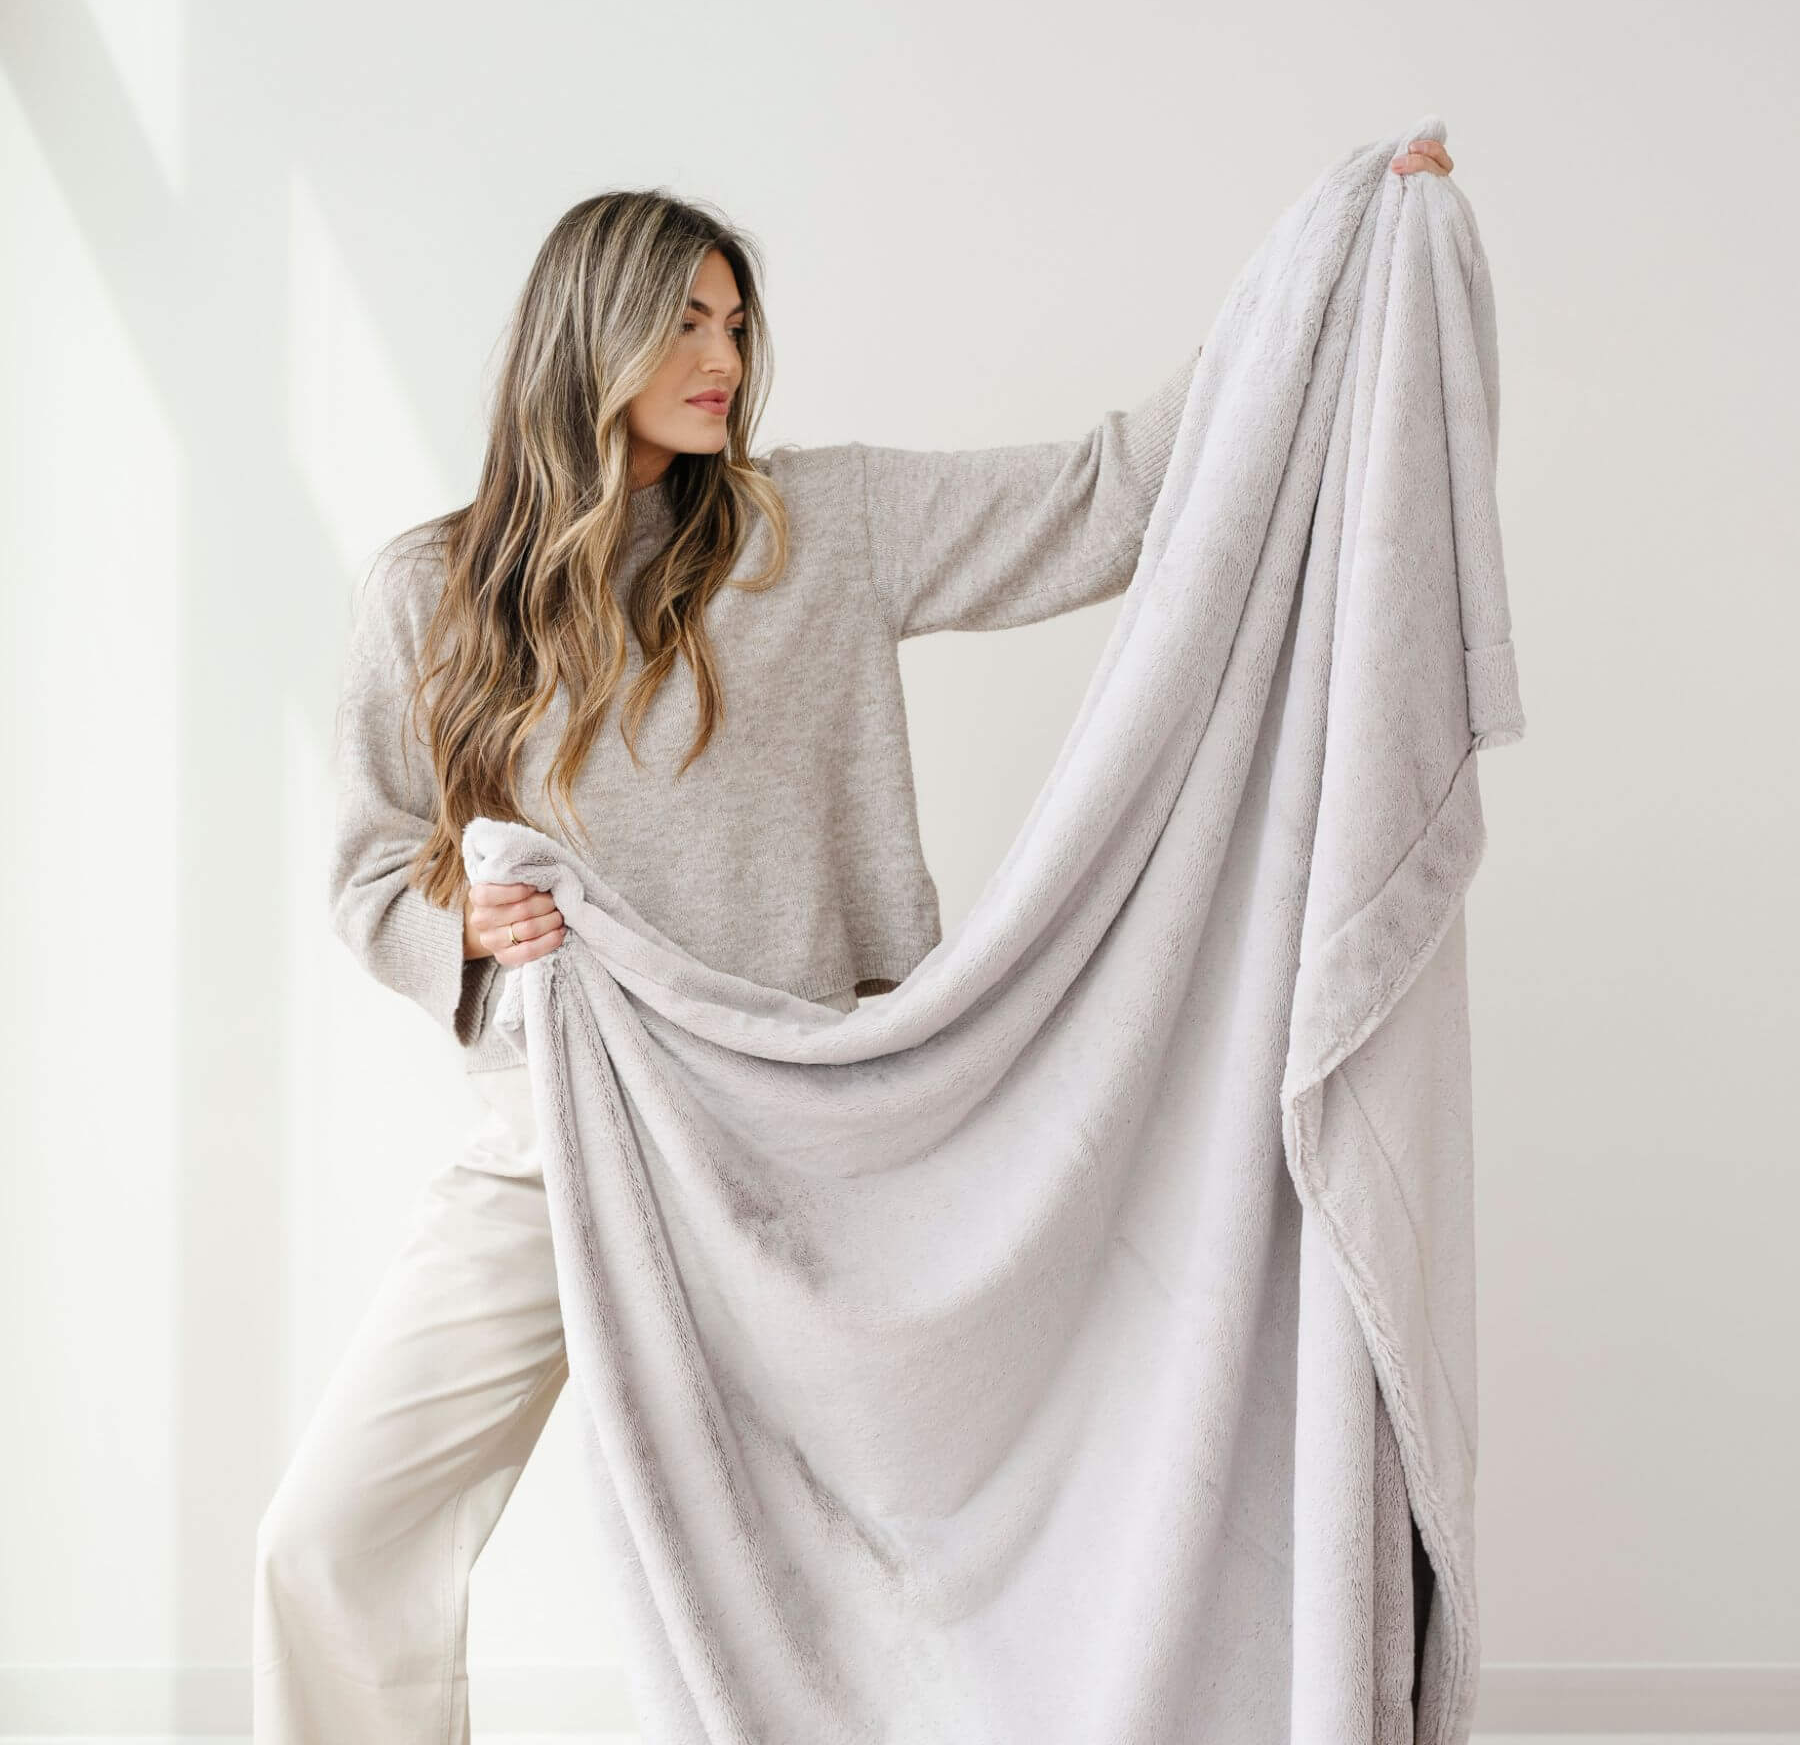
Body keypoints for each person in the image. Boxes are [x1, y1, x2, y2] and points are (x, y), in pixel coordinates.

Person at [251, 138, 1455, 1744]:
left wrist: (1329, 249)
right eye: (686, 321)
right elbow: (363, 864)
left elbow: (1111, 491)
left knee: (873, 1588)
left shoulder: (815, 526)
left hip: (809, 1158)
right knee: (328, 1539)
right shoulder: (433, 588)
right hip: (560, 1150)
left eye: (735, 325)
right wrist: (454, 919)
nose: (723, 358)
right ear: (591, 333)